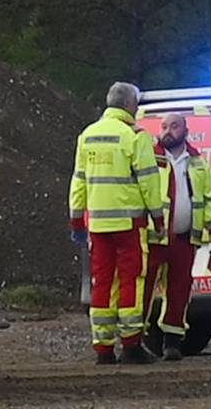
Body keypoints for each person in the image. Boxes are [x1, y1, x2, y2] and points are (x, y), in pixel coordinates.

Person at [69, 82, 164, 365]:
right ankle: (132, 344)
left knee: (102, 282)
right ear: (129, 105)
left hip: (98, 224)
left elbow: (79, 180)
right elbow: (149, 180)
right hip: (128, 223)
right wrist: (157, 217)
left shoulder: (88, 135)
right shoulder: (135, 136)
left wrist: (76, 219)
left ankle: (103, 347)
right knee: (131, 280)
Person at [138, 113, 211, 361]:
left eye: (174, 126)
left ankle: (172, 342)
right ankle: (135, 340)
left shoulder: (198, 161)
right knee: (143, 289)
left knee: (179, 291)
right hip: (155, 236)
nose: (167, 131)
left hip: (185, 238)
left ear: (185, 130)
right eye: (164, 126)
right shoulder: (151, 158)